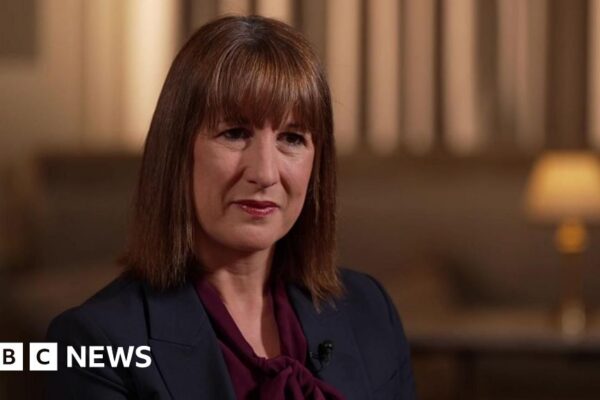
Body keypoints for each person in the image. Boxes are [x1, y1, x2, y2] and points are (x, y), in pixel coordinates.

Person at [46, 15, 415, 400]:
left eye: (291, 138)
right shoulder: (91, 344)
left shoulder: (370, 310)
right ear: (177, 153)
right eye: (235, 134)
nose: (265, 173)